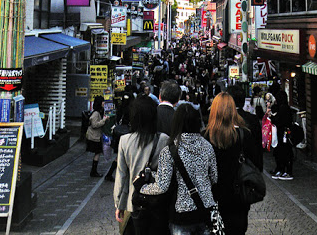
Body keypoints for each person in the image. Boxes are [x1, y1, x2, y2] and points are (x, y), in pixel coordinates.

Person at [141, 103, 218, 235]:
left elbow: (162, 186)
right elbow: (214, 177)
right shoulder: (208, 147)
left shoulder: (169, 151)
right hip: (205, 210)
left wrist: (141, 187)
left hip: (181, 214)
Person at [204, 92, 258, 235]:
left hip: (213, 198)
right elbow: (256, 165)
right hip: (238, 198)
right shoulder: (244, 135)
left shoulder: (206, 136)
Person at [114, 96, 169, 235]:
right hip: (157, 203)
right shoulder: (164, 139)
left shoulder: (125, 141)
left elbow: (121, 176)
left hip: (133, 204)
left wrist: (119, 204)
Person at [227, 84, 263, 171]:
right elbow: (258, 146)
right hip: (249, 169)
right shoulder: (253, 119)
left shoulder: (224, 119)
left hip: (229, 168)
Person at [270, 91, 294, 180]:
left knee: (284, 151)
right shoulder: (284, 107)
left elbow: (279, 120)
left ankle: (286, 171)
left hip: (283, 134)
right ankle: (282, 169)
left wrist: (272, 118)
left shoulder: (283, 109)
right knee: (282, 151)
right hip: (282, 134)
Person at [86, 95, 107, 178]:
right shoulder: (96, 113)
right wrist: (103, 121)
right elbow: (94, 125)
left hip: (96, 136)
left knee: (97, 153)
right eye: (102, 101)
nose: (104, 103)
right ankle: (93, 171)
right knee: (97, 152)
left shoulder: (99, 112)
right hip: (94, 137)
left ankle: (94, 171)